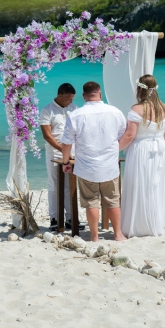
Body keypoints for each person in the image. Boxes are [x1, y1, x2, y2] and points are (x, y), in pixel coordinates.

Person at [60, 81, 126, 242]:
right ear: (100, 94)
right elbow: (123, 135)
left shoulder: (76, 115)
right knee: (113, 201)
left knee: (91, 202)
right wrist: (114, 151)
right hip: (109, 165)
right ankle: (118, 234)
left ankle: (94, 236)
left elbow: (67, 142)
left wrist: (65, 162)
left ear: (84, 96)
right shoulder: (115, 112)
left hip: (86, 166)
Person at [118, 74, 165, 237]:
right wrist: (158, 141)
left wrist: (114, 150)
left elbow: (130, 135)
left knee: (139, 184)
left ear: (139, 89)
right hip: (159, 149)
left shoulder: (137, 109)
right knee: (154, 185)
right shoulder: (163, 108)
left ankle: (138, 226)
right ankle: (154, 224)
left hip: (141, 150)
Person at [39, 83, 79, 232]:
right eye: (68, 98)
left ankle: (70, 218)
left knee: (70, 184)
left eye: (72, 99)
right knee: (54, 185)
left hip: (73, 151)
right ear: (60, 95)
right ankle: (54, 217)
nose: (70, 101)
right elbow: (47, 135)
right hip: (55, 152)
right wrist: (62, 150)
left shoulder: (74, 108)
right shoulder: (47, 110)